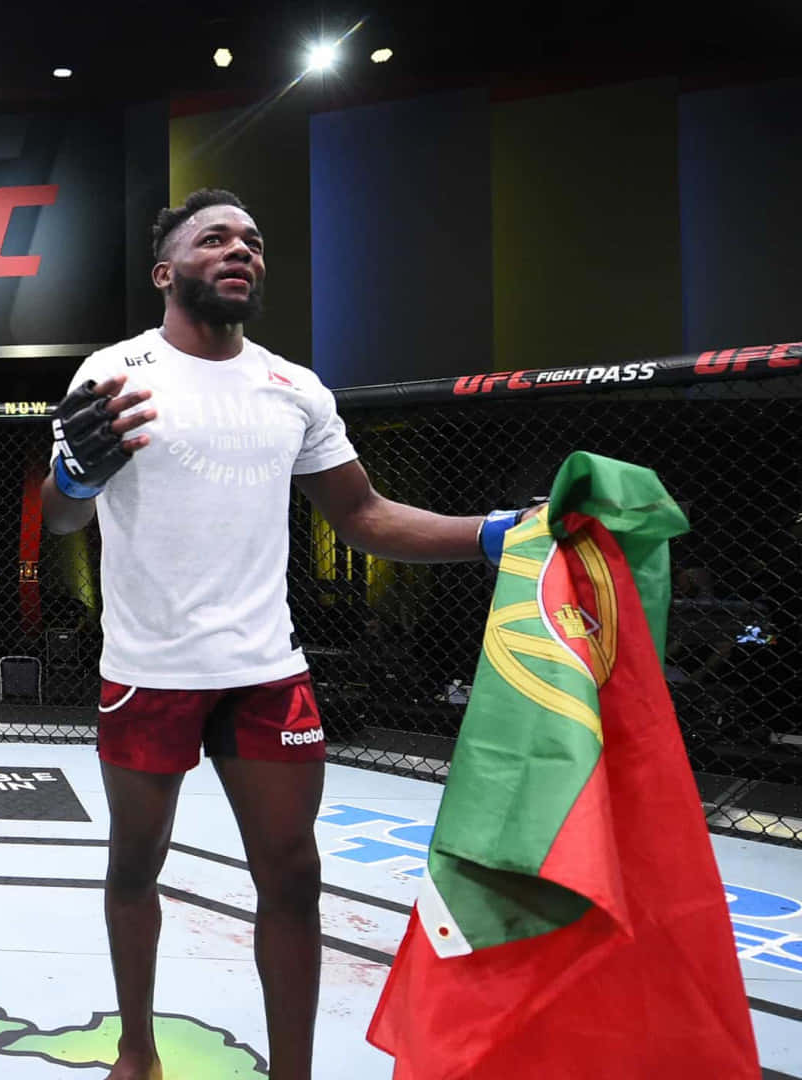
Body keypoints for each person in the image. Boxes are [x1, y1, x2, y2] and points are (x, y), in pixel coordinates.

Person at [40, 188, 537, 1080]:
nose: (241, 249)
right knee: (134, 867)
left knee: (293, 876)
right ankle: (137, 1050)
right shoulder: (114, 373)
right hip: (149, 668)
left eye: (253, 241)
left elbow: (365, 515)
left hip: (266, 668)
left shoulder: (294, 387)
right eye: (215, 238)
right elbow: (64, 521)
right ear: (165, 271)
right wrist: (72, 480)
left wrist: (494, 534)